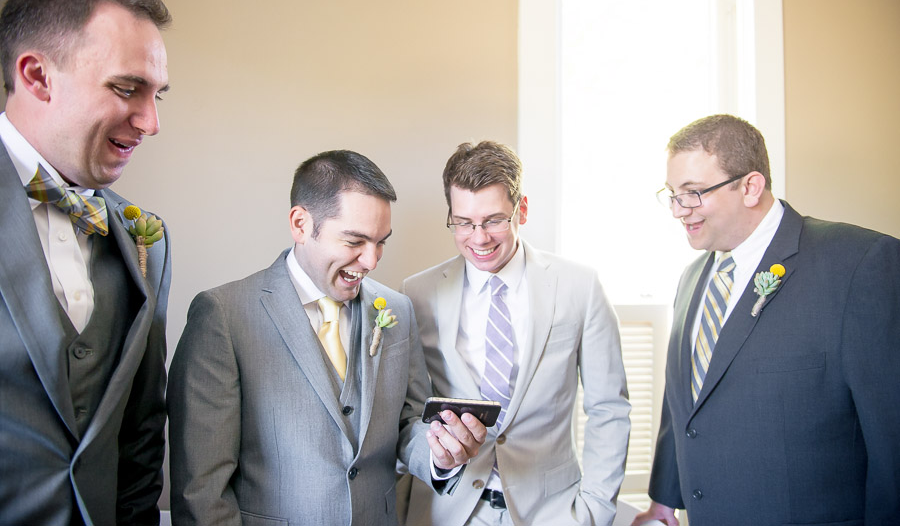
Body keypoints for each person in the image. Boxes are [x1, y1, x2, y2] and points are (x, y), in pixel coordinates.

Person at [168, 149, 487, 525]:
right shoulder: (224, 315)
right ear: (301, 224)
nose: (371, 261)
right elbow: (202, 489)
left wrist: (439, 455)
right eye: (355, 241)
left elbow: (408, 422)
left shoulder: (398, 310)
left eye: (381, 241)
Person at [633, 114, 900, 526]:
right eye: (672, 194)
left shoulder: (860, 263)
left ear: (750, 187)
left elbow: (892, 433)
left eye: (693, 193)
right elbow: (683, 404)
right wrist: (663, 503)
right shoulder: (692, 279)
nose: (678, 210)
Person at [0, 0, 172, 524]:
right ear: (37, 77)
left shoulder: (146, 236)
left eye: (157, 95)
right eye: (127, 89)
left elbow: (141, 431)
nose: (151, 122)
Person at [402, 141, 630, 526]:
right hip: (448, 512)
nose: (479, 238)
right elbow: (408, 414)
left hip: (554, 513)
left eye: (493, 220)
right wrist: (437, 462)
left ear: (521, 210)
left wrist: (595, 510)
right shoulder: (417, 294)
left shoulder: (579, 286)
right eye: (463, 222)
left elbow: (609, 408)